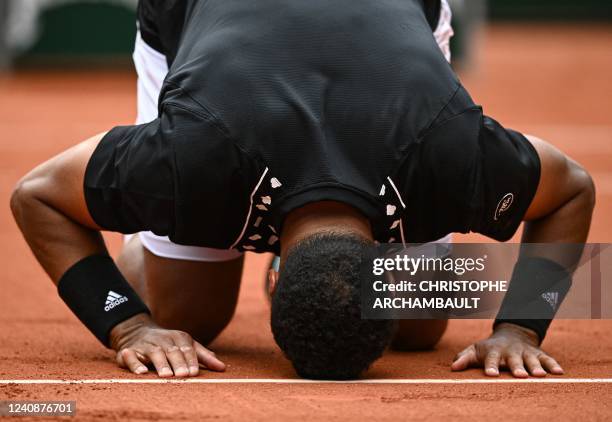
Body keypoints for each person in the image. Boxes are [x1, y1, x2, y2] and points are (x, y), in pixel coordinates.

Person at [10, 0, 594, 380]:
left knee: (417, 329)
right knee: (186, 314)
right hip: (194, 22)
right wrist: (131, 324)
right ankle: (149, 243)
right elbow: (36, 194)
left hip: (384, 35)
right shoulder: (195, 158)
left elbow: (573, 188)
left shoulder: (443, 156)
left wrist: (520, 325)